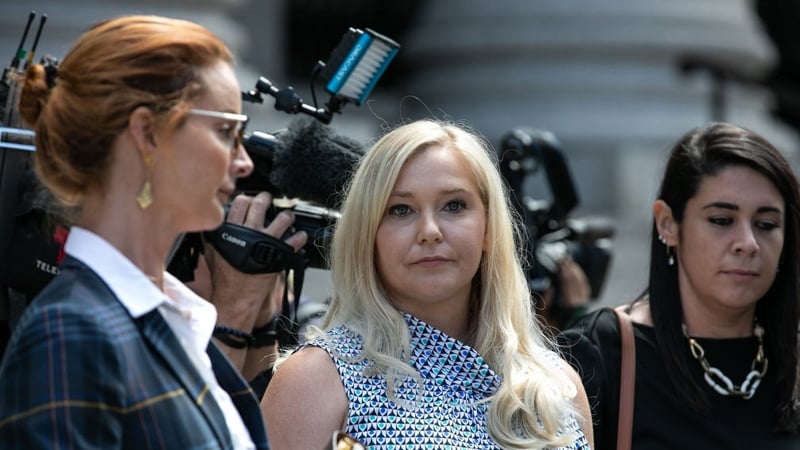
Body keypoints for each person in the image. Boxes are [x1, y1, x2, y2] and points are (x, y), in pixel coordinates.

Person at [0, 15, 273, 449]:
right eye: (226, 131)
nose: (244, 163)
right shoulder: (72, 334)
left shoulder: (174, 317)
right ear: (146, 132)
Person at [262, 119, 594, 449]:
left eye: (454, 205)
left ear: (488, 228)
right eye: (400, 209)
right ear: (367, 235)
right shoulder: (315, 380)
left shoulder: (558, 384)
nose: (430, 231)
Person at [558, 122, 800, 448]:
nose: (748, 243)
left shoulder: (791, 363)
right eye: (721, 220)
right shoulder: (601, 354)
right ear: (668, 224)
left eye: (767, 224)